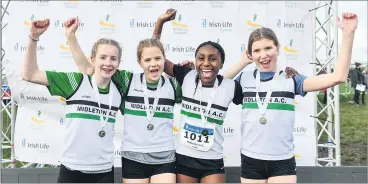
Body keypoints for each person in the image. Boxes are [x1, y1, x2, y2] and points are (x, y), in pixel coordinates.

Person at [152, 9, 299, 183]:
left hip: (213, 161)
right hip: (184, 158)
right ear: (195, 61)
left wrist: (286, 75)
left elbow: (263, 90)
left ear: (221, 63)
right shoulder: (187, 75)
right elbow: (155, 55)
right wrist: (159, 23)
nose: (206, 63)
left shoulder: (230, 86)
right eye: (201, 58)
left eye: (213, 59)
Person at [223, 12, 358, 183]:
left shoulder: (291, 78)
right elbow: (216, 87)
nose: (263, 55)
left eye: (268, 48)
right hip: (251, 160)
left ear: (277, 49)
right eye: (256, 50)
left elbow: (337, 77)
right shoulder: (244, 79)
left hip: (282, 162)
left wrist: (348, 33)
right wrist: (241, 63)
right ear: (251, 54)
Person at [65, 17, 181, 183]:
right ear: (139, 62)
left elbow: (205, 86)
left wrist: (187, 71)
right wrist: (71, 37)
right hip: (133, 156)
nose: (153, 63)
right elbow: (89, 70)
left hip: (164, 156)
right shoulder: (128, 80)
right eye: (147, 60)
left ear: (165, 59)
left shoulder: (173, 85)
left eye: (158, 59)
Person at [22, 18, 123, 183]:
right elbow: (30, 74)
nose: (107, 63)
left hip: (104, 172)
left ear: (119, 63)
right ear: (93, 59)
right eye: (103, 57)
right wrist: (33, 38)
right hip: (71, 170)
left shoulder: (119, 88)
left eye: (113, 59)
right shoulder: (75, 82)